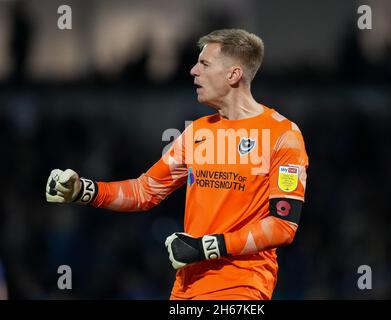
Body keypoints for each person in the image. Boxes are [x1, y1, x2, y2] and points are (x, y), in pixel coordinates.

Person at [46, 29, 309, 300]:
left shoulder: (283, 135)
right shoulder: (196, 132)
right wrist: (84, 190)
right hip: (186, 288)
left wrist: (209, 247)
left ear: (233, 74)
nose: (193, 71)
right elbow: (144, 191)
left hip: (241, 289)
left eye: (204, 64)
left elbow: (282, 225)